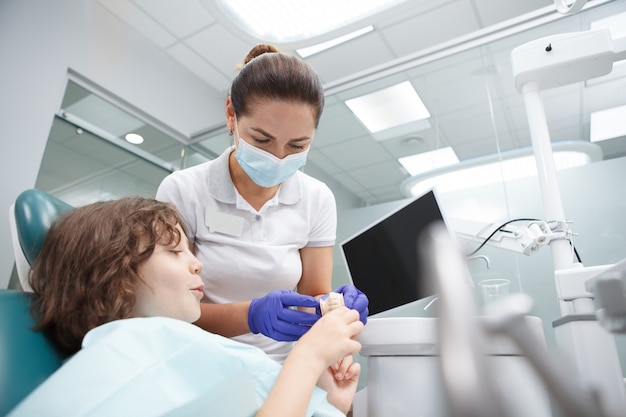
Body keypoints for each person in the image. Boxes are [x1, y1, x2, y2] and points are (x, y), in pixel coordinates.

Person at [8, 197, 363, 417]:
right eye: (175, 251)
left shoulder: (170, 343)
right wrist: (308, 358)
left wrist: (331, 403)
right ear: (117, 279)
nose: (197, 264)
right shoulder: (129, 352)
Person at [156, 44, 368, 361]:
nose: (279, 157)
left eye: (297, 145)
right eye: (261, 140)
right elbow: (167, 308)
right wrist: (251, 317)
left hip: (285, 367)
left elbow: (313, 296)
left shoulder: (316, 198)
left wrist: (335, 308)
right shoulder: (184, 191)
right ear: (231, 115)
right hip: (199, 358)